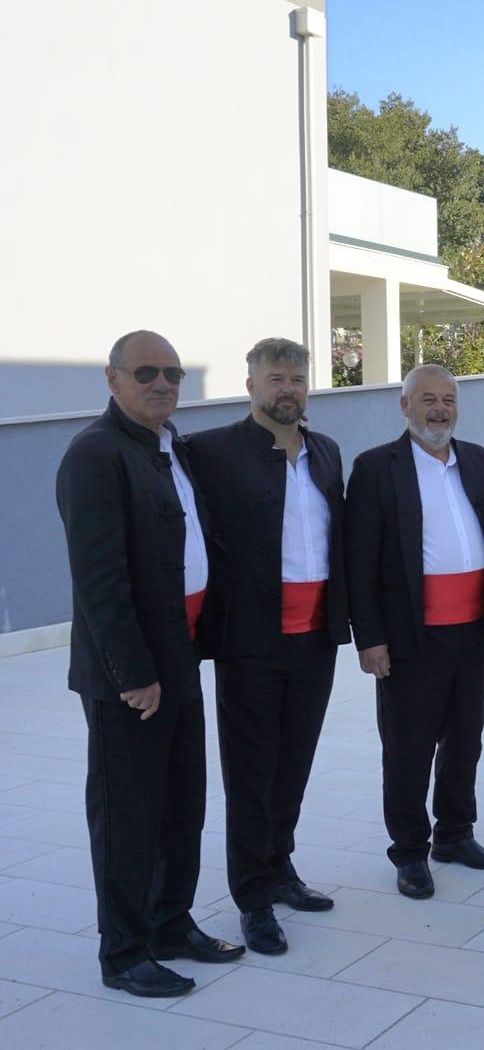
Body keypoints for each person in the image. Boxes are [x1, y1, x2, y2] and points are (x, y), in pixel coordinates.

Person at [55, 330, 244, 998]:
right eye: (145, 372)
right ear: (113, 379)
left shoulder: (170, 446)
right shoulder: (94, 455)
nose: (162, 383)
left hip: (181, 656)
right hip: (130, 678)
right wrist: (132, 674)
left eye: (172, 372)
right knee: (127, 817)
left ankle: (170, 923)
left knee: (181, 807)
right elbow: (99, 581)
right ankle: (124, 952)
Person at [186, 338, 348, 956]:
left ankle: (280, 868)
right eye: (276, 378)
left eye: (297, 379)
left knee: (294, 763)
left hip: (316, 638)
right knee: (251, 772)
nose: (288, 389)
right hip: (250, 641)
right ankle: (252, 897)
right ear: (251, 384)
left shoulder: (325, 451)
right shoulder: (210, 451)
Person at [345, 364, 484, 899]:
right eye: (428, 399)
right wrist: (369, 637)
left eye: (448, 399)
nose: (439, 409)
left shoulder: (478, 460)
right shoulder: (376, 468)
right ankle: (409, 852)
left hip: (472, 628)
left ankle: (455, 833)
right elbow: (359, 561)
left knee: (465, 737)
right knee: (409, 747)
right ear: (405, 406)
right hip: (409, 635)